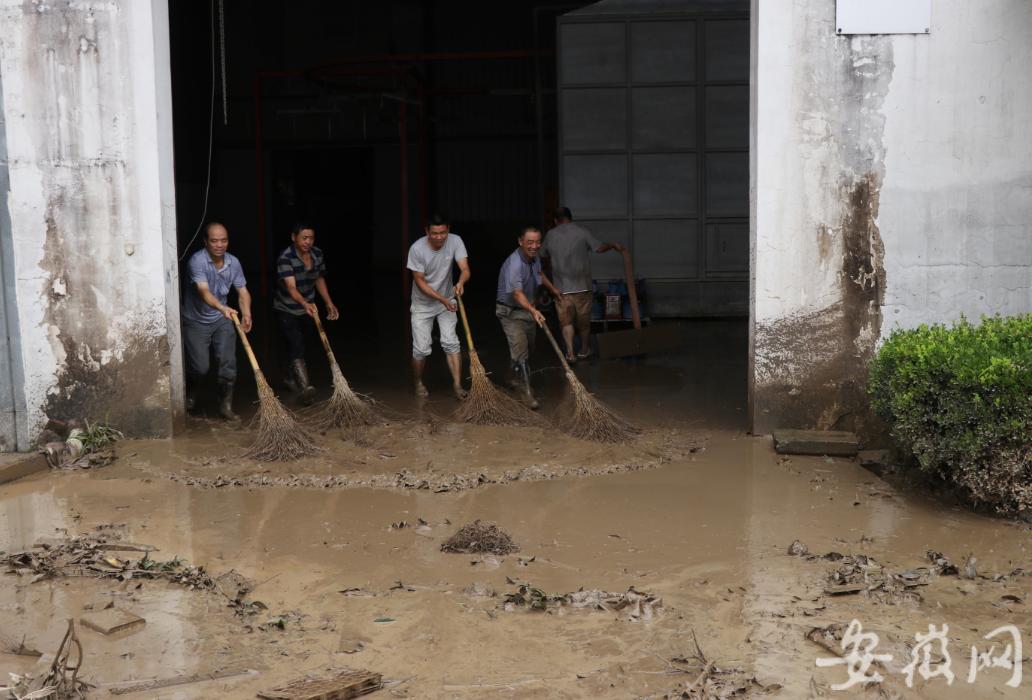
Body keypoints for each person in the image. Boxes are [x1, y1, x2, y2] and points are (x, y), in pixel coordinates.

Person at [181, 222, 252, 420]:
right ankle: (190, 393)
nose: (220, 245)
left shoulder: (233, 262)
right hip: (195, 320)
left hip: (222, 319)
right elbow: (203, 292)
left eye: (224, 240)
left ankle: (225, 406)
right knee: (200, 367)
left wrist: (247, 313)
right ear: (205, 241)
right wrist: (222, 308)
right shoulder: (197, 261)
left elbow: (243, 291)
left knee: (228, 364)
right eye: (214, 241)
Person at [540, 206, 625, 361]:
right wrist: (612, 245)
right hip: (582, 288)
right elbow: (599, 248)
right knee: (584, 324)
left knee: (566, 322)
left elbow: (542, 255)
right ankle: (584, 350)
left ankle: (570, 352)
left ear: (555, 221)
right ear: (570, 218)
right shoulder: (582, 231)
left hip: (561, 290)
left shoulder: (550, 235)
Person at [406, 213, 471, 399]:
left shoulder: (455, 241)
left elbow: (465, 269)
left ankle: (457, 385)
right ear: (427, 231)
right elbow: (420, 282)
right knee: (421, 349)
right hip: (423, 304)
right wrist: (442, 299)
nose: (439, 237)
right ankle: (418, 382)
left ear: (448, 229)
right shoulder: (417, 249)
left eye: (443, 232)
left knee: (451, 343)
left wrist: (461, 282)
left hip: (447, 300)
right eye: (435, 233)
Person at [496, 226, 561, 409]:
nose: (534, 246)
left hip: (528, 310)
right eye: (530, 242)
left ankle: (511, 376)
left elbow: (539, 274)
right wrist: (533, 310)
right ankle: (527, 394)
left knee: (526, 348)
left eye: (538, 242)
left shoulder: (535, 258)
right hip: (510, 313)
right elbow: (517, 293)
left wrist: (553, 289)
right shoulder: (514, 264)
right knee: (522, 351)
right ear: (520, 242)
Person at [274, 222, 339, 404]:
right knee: (296, 344)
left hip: (309, 309)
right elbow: (291, 287)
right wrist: (304, 303)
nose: (308, 242)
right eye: (304, 238)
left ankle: (288, 376)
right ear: (293, 237)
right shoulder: (286, 257)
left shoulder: (317, 254)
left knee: (301, 345)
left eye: (311, 238)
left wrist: (328, 302)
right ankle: (305, 388)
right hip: (287, 308)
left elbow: (319, 279)